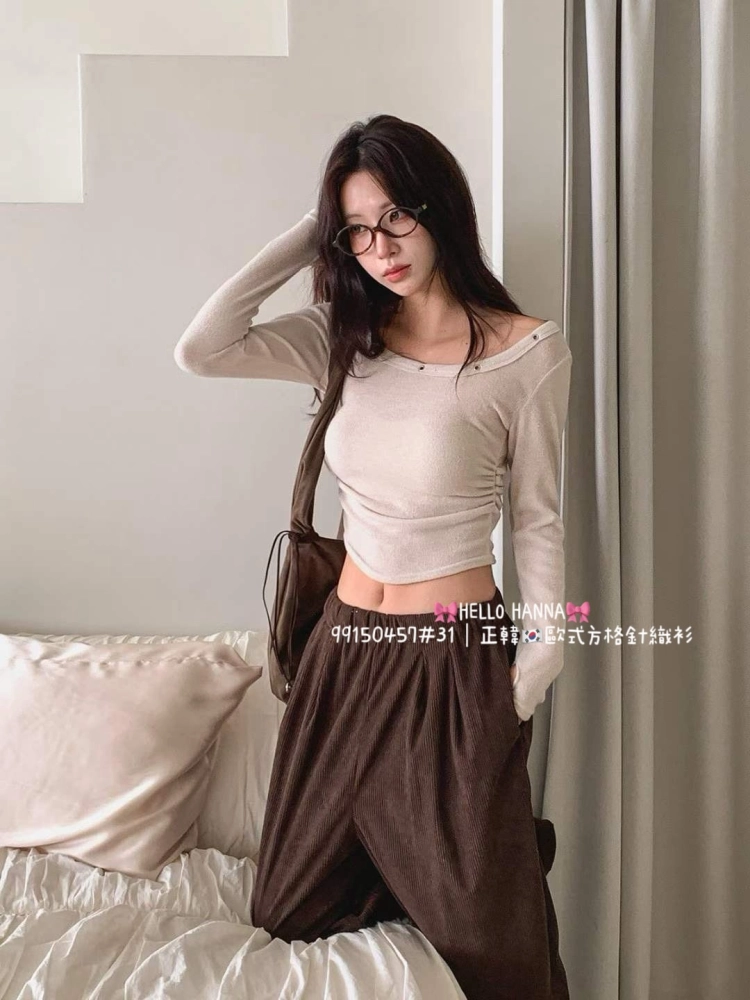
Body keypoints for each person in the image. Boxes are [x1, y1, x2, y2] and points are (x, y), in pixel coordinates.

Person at [174, 113, 571, 1000]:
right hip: (343, 652)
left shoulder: (526, 353)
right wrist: (312, 231)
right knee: (289, 909)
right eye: (355, 229)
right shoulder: (344, 338)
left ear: (441, 210)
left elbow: (539, 519)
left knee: (494, 943)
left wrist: (535, 666)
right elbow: (202, 348)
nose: (379, 247)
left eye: (395, 217)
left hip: (453, 659)